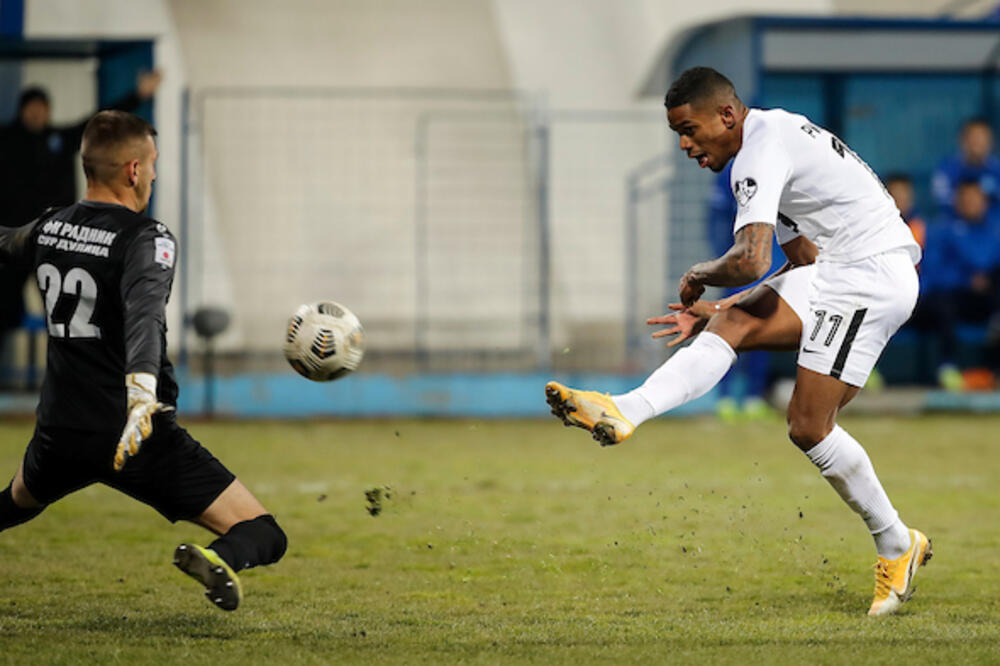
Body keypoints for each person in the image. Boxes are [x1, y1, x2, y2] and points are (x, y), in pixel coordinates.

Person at [545, 67, 930, 616]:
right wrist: (722, 312)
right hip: (843, 273)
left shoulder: (758, 153)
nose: (684, 144)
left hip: (868, 277)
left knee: (809, 427)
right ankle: (624, 409)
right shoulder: (774, 136)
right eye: (677, 132)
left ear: (727, 115)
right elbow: (801, 262)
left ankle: (898, 544)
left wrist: (702, 275)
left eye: (689, 128)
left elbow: (752, 258)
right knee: (733, 326)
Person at [0, 110, 286, 611]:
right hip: (133, 434)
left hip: (60, 431)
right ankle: (217, 557)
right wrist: (141, 396)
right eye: (152, 163)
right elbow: (146, 317)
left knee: (15, 503)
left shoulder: (50, 227)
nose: (154, 174)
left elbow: (5, 242)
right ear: (133, 170)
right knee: (262, 530)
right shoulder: (146, 239)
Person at [0, 72, 161, 388]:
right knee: (4, 309)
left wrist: (137, 94)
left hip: (57, 239)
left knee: (72, 308)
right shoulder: (6, 140)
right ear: (22, 110)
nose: (37, 114)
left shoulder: (60, 138)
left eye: (42, 108)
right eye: (31, 108)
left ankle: (76, 379)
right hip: (22, 239)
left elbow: (99, 121)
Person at [707, 162, 781, 420]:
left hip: (768, 265)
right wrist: (723, 263)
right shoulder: (733, 168)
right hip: (737, 264)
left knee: (762, 331)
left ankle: (753, 397)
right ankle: (725, 398)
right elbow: (717, 218)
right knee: (728, 329)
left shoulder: (779, 165)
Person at [910, 179, 1000, 389]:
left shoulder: (995, 229)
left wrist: (987, 279)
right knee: (943, 306)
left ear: (984, 201)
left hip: (989, 295)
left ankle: (993, 371)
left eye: (975, 198)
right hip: (955, 296)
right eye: (965, 198)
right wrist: (966, 279)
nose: (971, 203)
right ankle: (947, 368)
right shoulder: (941, 230)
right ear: (957, 201)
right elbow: (933, 272)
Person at [930, 117, 1000, 213]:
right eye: (974, 137)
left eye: (982, 138)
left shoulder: (996, 168)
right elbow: (941, 198)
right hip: (954, 222)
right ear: (963, 139)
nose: (978, 143)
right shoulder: (948, 168)